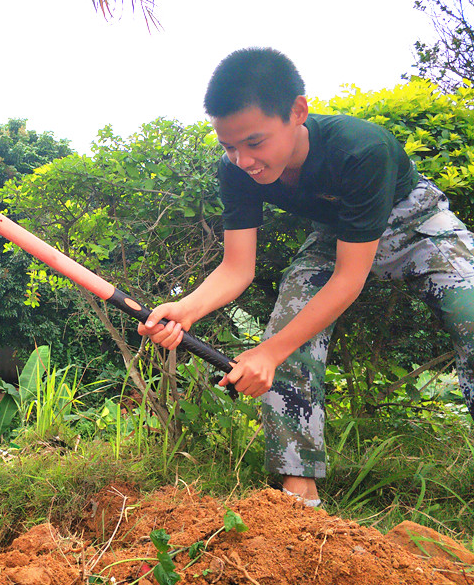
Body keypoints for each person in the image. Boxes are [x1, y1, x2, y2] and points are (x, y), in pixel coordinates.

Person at [139, 47, 474, 506]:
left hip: (412, 220)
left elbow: (348, 280)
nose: (242, 160)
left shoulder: (361, 148)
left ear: (298, 111)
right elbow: (238, 266)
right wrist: (187, 309)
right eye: (228, 146)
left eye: (254, 143)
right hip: (338, 230)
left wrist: (268, 354)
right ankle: (299, 496)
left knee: (472, 309)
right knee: (289, 328)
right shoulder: (235, 170)